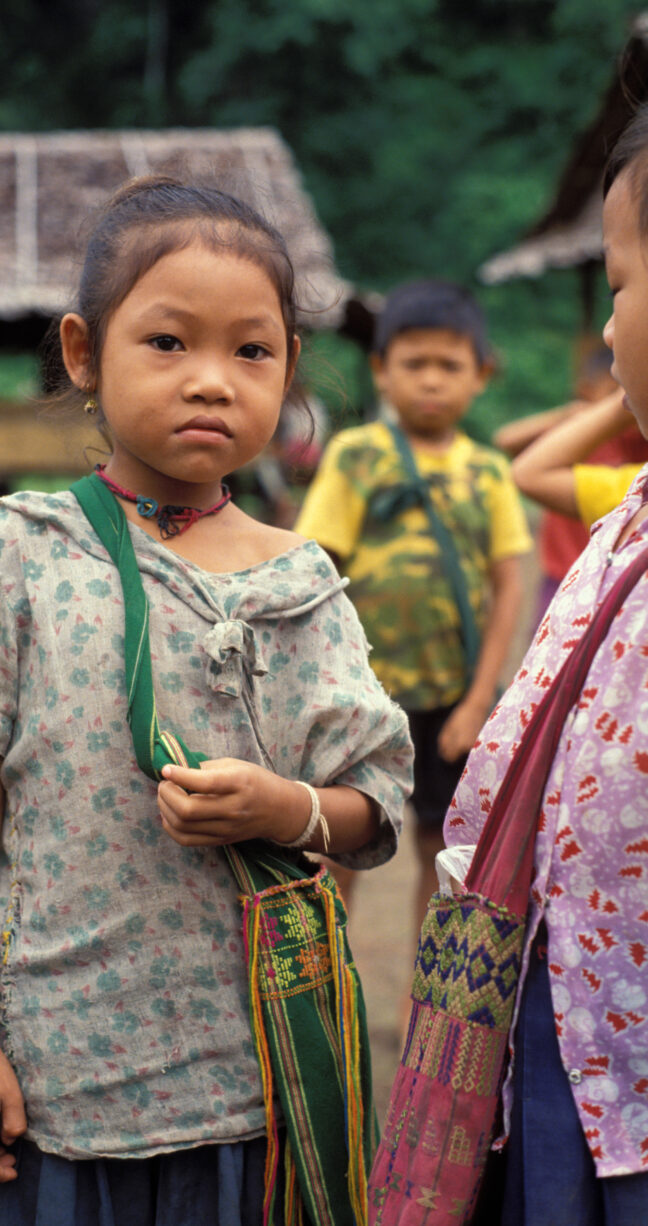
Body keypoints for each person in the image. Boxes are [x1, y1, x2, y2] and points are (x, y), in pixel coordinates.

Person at [0, 177, 413, 1225]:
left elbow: (372, 804)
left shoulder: (297, 579)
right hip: (56, 1068)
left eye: (250, 352)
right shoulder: (11, 557)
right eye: (167, 343)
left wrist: (281, 808)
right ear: (83, 353)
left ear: (289, 370)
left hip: (250, 1080)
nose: (211, 381)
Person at [444, 105, 648, 1223]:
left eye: (615, 289)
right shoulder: (628, 505)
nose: (606, 331)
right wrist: (615, 391)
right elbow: (521, 464)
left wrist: (611, 398)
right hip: (574, 1029)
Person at [294, 280, 531, 952]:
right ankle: (325, 987)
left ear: (480, 374)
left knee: (441, 847)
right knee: (342, 840)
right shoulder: (356, 455)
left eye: (449, 365)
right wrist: (330, 686)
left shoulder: (488, 472)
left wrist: (479, 700)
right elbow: (318, 567)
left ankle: (420, 1010)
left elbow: (510, 585)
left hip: (452, 697)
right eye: (414, 363)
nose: (431, 380)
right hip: (365, 699)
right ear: (381, 370)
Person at [494, 350, 648, 624]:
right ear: (586, 391)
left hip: (609, 576)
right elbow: (506, 440)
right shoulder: (574, 434)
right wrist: (572, 414)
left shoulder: (639, 445)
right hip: (562, 572)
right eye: (614, 390)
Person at [510, 385, 645, 530]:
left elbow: (528, 474)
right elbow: (507, 440)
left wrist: (623, 403)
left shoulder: (632, 447)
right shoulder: (574, 427)